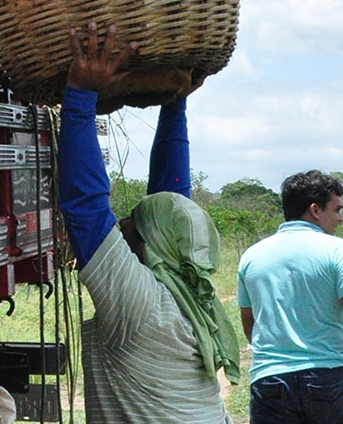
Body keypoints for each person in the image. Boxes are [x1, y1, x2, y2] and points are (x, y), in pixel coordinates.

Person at [57, 23, 239, 423]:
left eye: (130, 226)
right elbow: (171, 200)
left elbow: (84, 206)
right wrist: (175, 104)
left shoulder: (143, 308)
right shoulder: (192, 287)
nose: (121, 223)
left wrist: (81, 94)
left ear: (153, 244)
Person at [236, 170, 343, 423]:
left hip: (269, 380)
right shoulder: (337, 251)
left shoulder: (251, 256)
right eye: (337, 209)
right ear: (315, 209)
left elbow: (249, 323)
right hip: (329, 379)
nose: (339, 218)